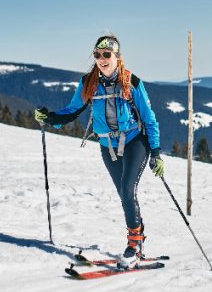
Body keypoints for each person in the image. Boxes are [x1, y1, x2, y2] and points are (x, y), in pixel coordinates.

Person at [34, 35, 164, 269]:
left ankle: (133, 246)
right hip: (107, 146)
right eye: (97, 54)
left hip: (135, 142)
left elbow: (149, 118)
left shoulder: (131, 82)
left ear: (117, 57)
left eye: (106, 54)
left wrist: (155, 152)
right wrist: (49, 117)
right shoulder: (88, 83)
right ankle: (138, 236)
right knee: (124, 194)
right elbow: (73, 110)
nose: (101, 59)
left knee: (127, 190)